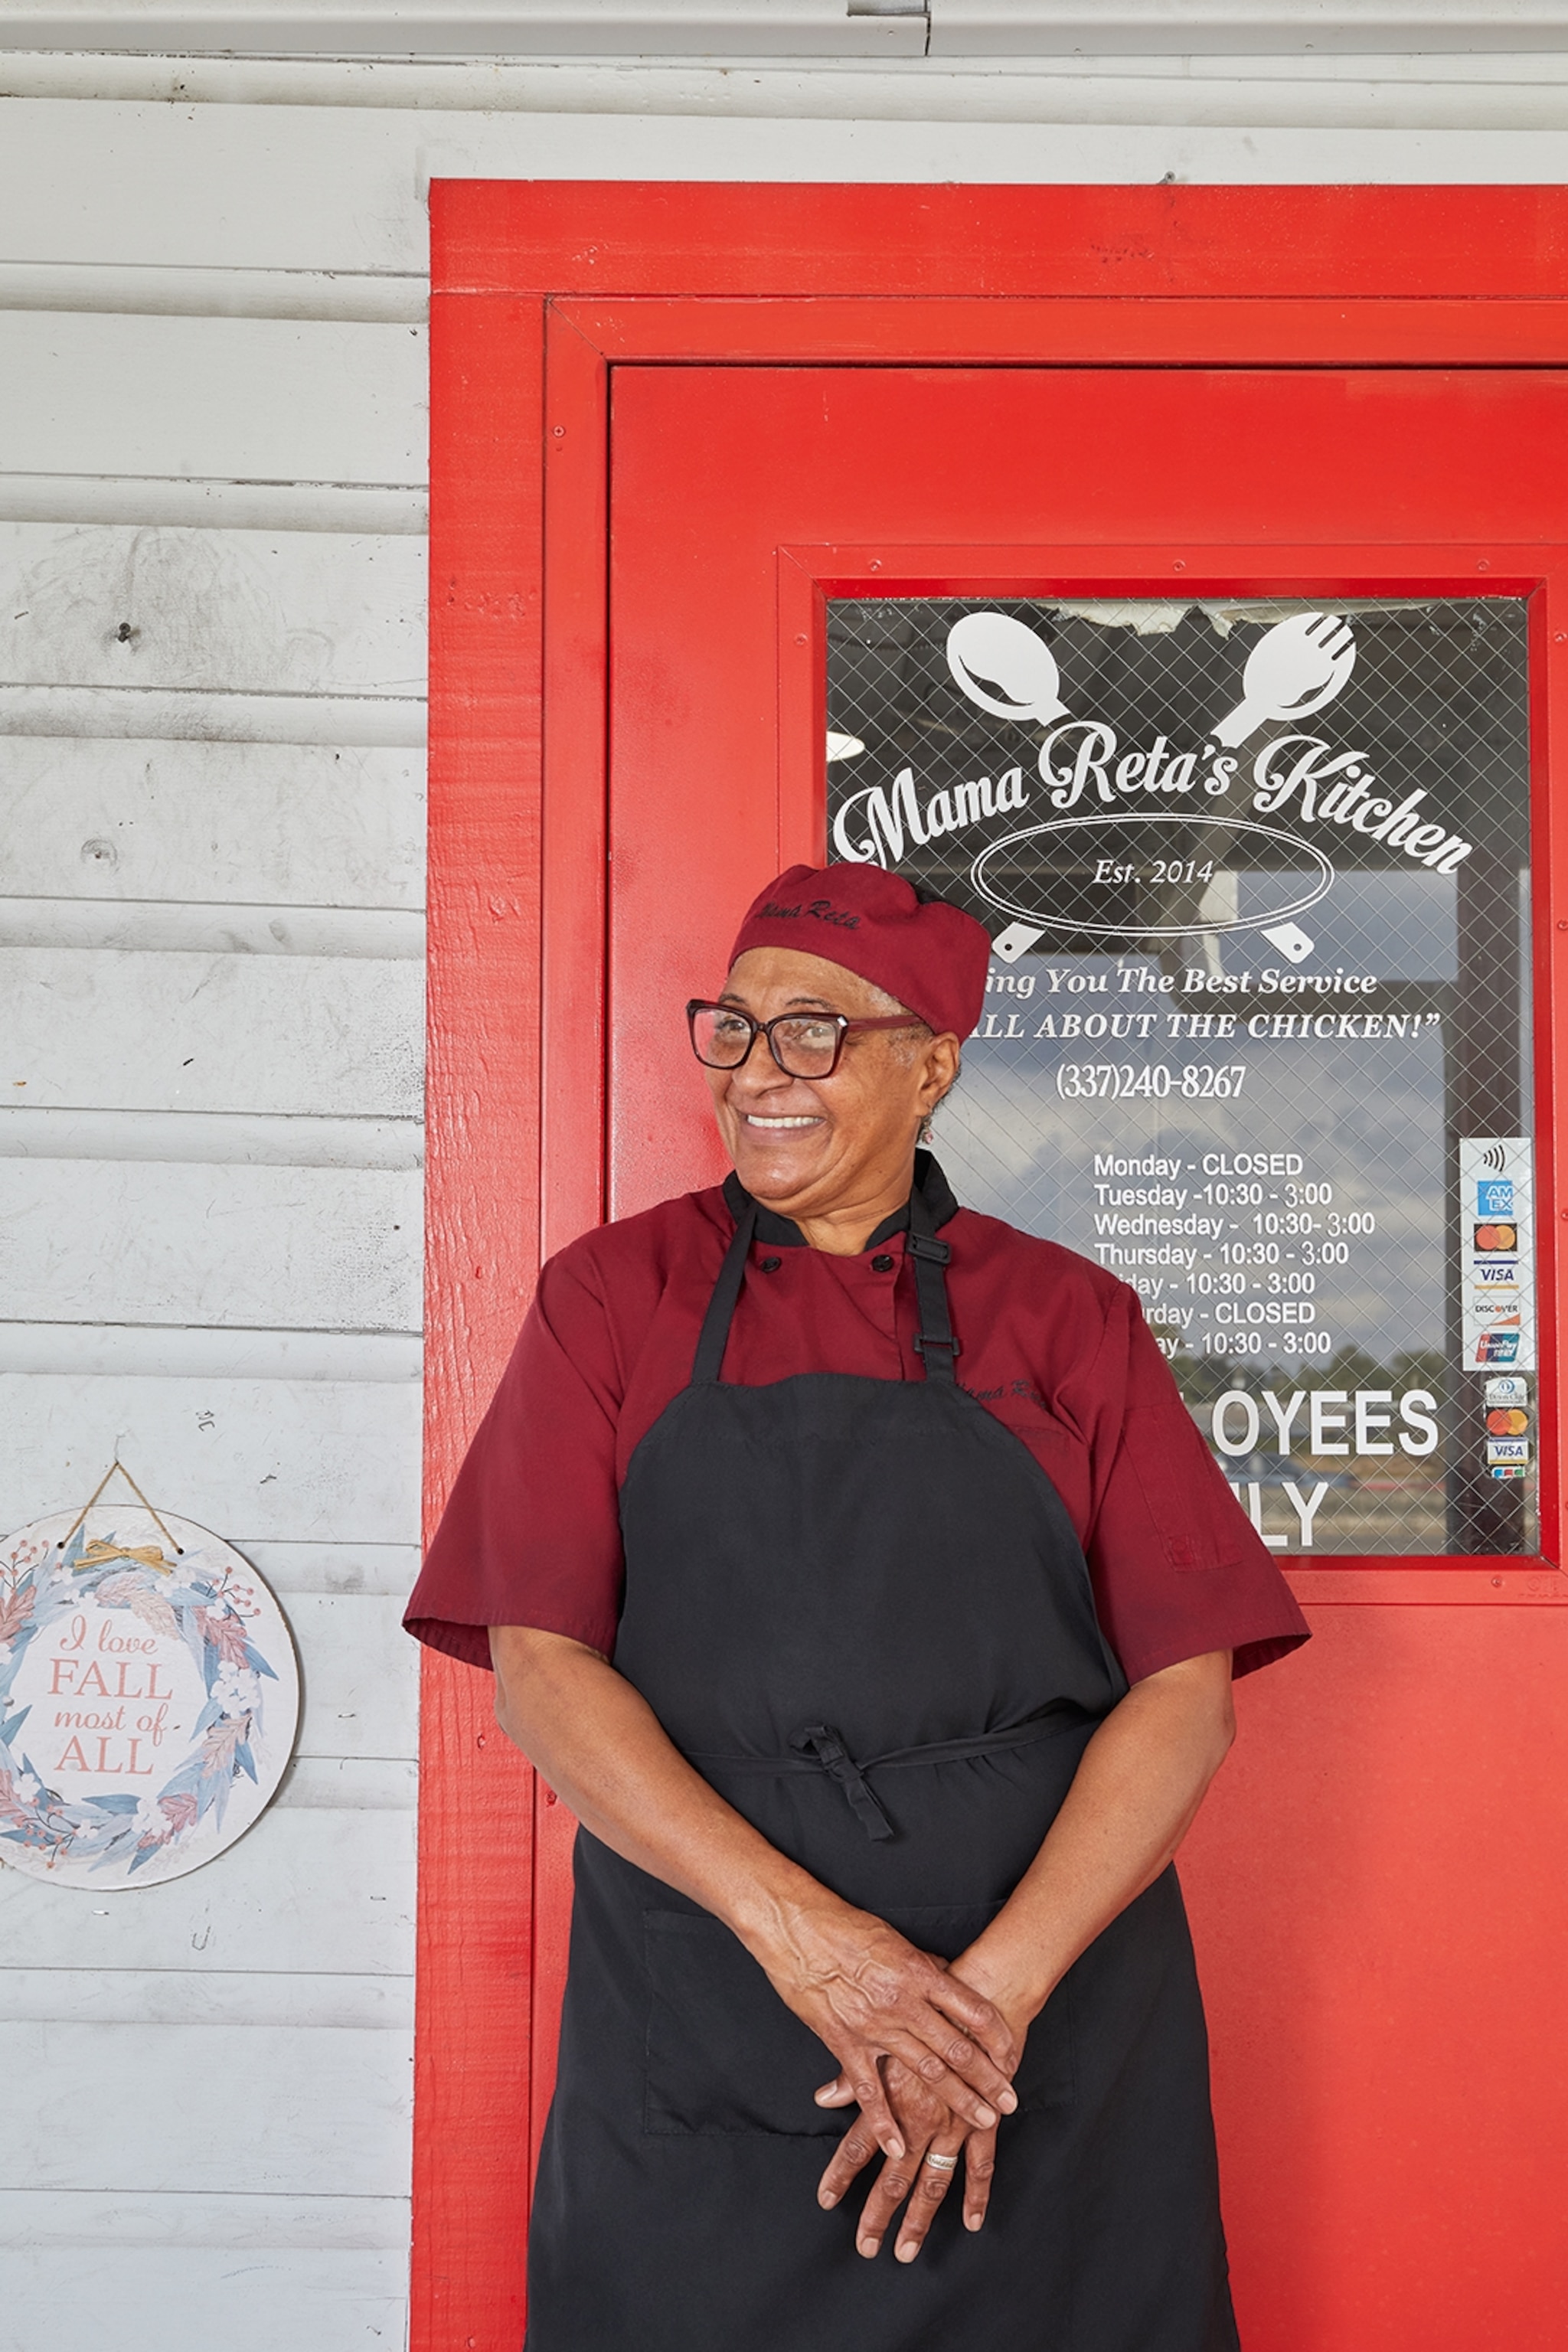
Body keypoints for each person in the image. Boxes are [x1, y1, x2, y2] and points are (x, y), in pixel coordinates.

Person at [406, 861, 1310, 2352]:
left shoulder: (1067, 1319)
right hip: (711, 1981)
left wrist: (986, 2009)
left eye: (814, 1033)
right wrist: (813, 1945)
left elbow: (1183, 1694)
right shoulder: (610, 1299)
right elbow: (542, 1664)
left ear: (932, 1065)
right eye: (737, 1028)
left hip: (1042, 2011)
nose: (759, 1074)